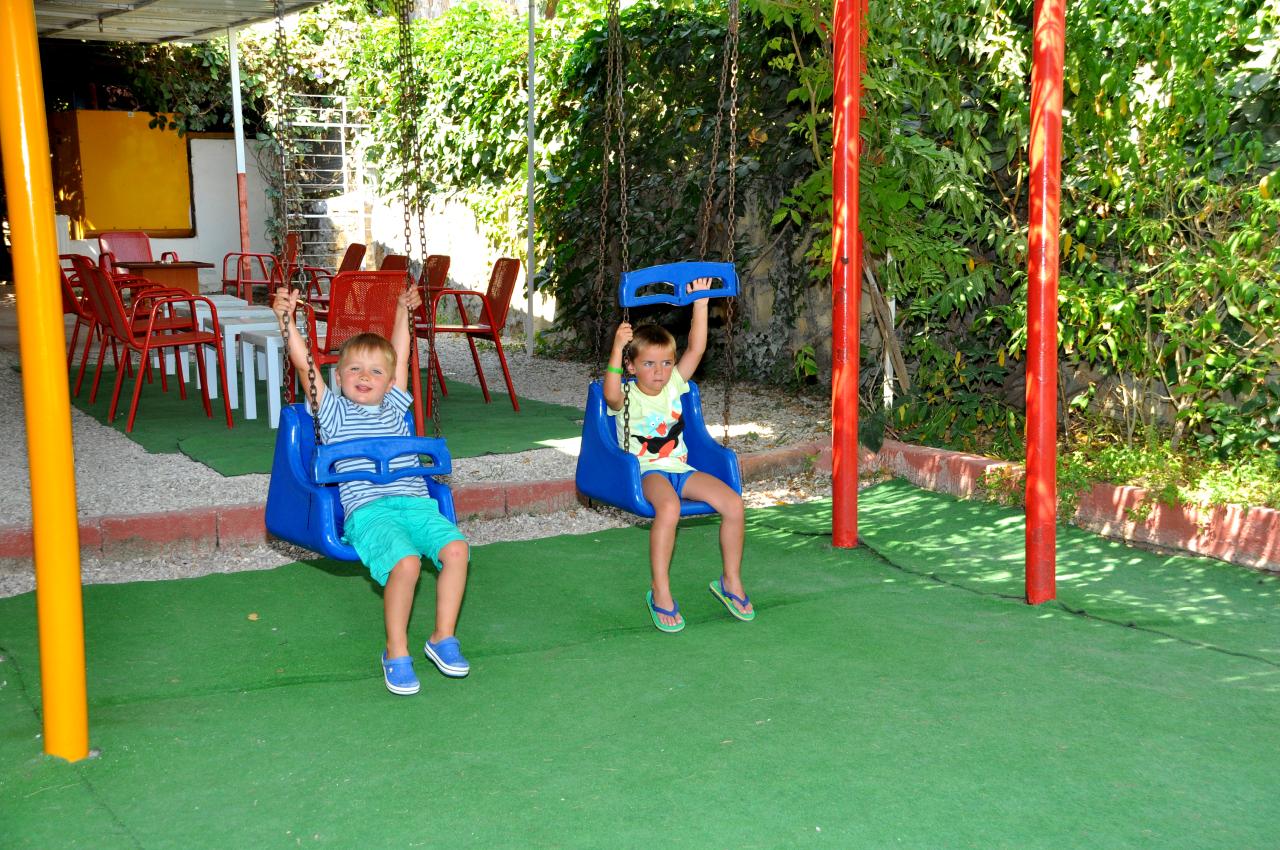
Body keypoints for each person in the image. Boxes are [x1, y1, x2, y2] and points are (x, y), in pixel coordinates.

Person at [273, 285, 469, 696]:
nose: (365, 377)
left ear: (390, 381)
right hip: (370, 511)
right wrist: (286, 321)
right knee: (407, 564)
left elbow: (400, 353)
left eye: (377, 372)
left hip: (416, 504)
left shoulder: (395, 406)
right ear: (338, 377)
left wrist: (401, 311)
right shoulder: (332, 411)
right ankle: (396, 651)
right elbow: (304, 364)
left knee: (456, 550)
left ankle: (442, 637)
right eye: (355, 369)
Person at [604, 278, 754, 633]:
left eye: (666, 362)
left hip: (681, 469)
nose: (659, 372)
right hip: (645, 472)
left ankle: (730, 580)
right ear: (631, 367)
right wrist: (617, 347)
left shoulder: (674, 384)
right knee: (668, 508)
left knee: (733, 504)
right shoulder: (625, 394)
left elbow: (696, 349)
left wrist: (700, 303)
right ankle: (660, 589)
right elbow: (609, 395)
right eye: (649, 364)